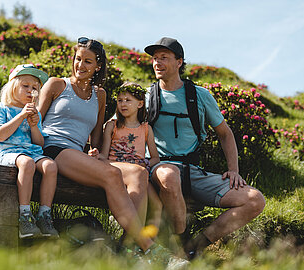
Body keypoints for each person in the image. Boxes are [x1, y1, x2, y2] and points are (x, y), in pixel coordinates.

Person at [38, 37, 188, 267]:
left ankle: (127, 248)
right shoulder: (57, 85)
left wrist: (95, 151)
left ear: (98, 66)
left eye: (88, 62)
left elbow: (96, 136)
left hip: (78, 155)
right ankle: (149, 248)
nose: (81, 65)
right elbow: (35, 122)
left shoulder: (100, 95)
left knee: (137, 173)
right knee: (111, 175)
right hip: (53, 148)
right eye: (78, 59)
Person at [143, 37, 266, 258]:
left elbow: (225, 133)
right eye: (154, 58)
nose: (157, 63)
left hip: (193, 172)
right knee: (169, 175)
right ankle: (178, 246)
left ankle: (194, 247)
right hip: (159, 168)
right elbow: (120, 126)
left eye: (164, 58)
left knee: (254, 200)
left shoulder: (200, 96)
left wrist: (234, 170)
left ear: (179, 62)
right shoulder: (147, 96)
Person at [0, 64, 59, 239]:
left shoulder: (36, 114)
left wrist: (34, 125)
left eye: (35, 88)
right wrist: (20, 116)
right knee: (27, 163)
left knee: (51, 166)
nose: (30, 91)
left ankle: (44, 215)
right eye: (25, 86)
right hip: (7, 152)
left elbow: (39, 143)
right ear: (13, 87)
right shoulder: (1, 108)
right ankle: (25, 216)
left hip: (32, 153)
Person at [90, 82, 163, 230]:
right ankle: (130, 237)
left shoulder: (146, 128)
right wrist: (97, 155)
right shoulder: (112, 125)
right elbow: (105, 155)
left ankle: (143, 241)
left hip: (139, 173)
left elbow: (156, 158)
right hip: (117, 171)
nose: (123, 104)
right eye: (120, 100)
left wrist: (146, 164)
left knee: (157, 205)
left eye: (128, 100)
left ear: (140, 104)